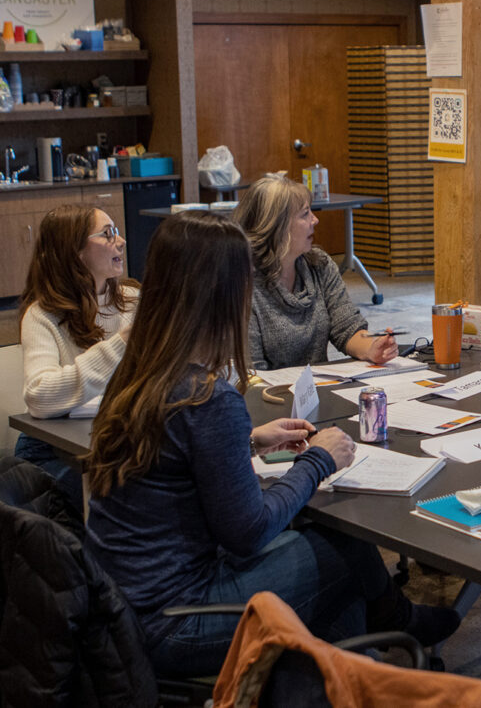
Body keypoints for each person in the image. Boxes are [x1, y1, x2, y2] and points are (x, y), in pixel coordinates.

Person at [84, 211, 460, 678]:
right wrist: (320, 459)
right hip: (176, 624)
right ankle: (378, 645)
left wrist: (246, 441)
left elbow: (170, 459)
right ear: (226, 294)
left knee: (329, 543)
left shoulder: (138, 370)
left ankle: (362, 660)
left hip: (121, 608)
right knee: (343, 548)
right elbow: (247, 532)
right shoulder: (206, 397)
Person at [17, 205, 138, 510]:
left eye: (118, 232)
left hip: (119, 442)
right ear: (75, 252)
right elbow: (40, 398)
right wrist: (121, 343)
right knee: (129, 503)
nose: (120, 241)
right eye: (107, 234)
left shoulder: (135, 300)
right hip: (57, 451)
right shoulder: (42, 316)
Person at [233, 174, 398, 371]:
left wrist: (372, 348)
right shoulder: (242, 284)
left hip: (315, 392)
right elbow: (250, 374)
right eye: (305, 214)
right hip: (269, 396)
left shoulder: (319, 264)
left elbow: (346, 327)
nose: (315, 219)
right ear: (278, 226)